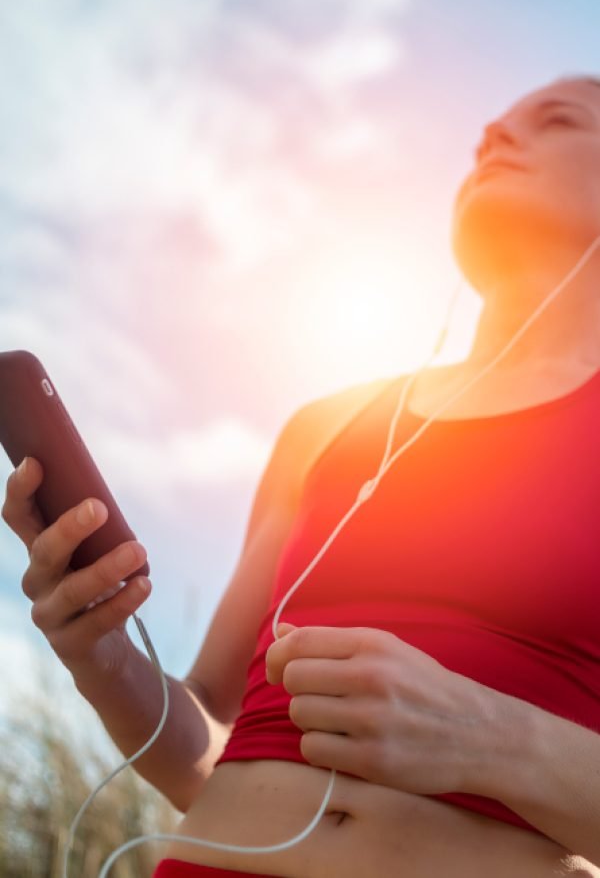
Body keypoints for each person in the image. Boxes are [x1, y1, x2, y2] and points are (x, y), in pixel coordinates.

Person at [3, 73, 600, 878]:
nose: (496, 140)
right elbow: (209, 740)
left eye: (555, 119)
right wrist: (104, 661)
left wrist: (502, 739)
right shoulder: (327, 429)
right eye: (485, 134)